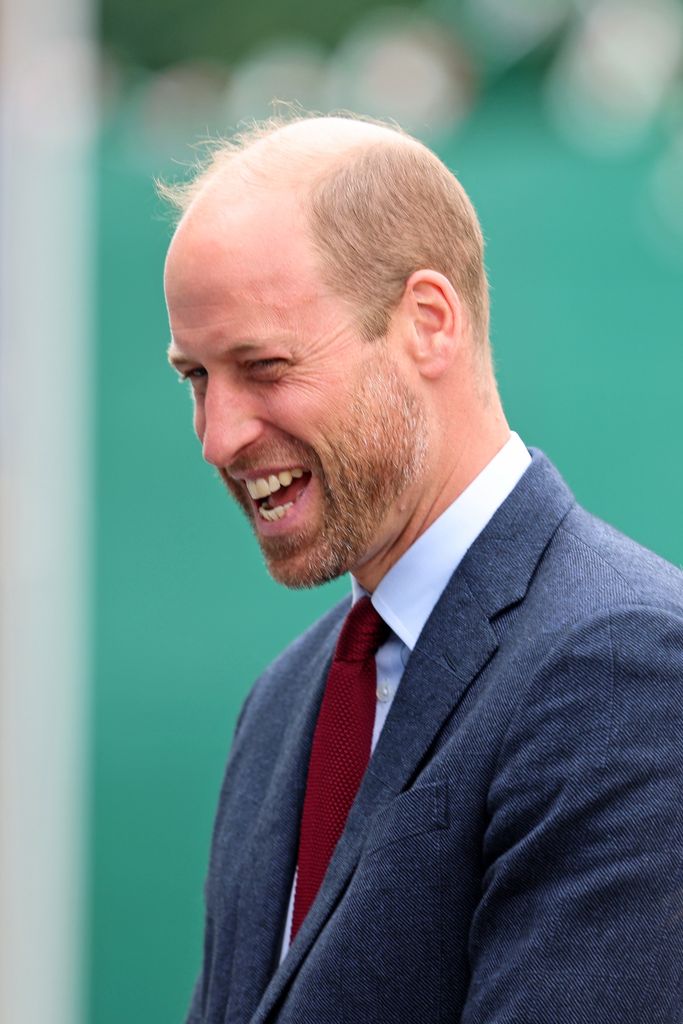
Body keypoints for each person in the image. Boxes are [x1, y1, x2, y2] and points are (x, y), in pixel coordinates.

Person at [161, 115, 683, 1024]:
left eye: (264, 366)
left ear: (427, 323)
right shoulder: (285, 704)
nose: (219, 436)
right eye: (196, 378)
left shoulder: (622, 668)